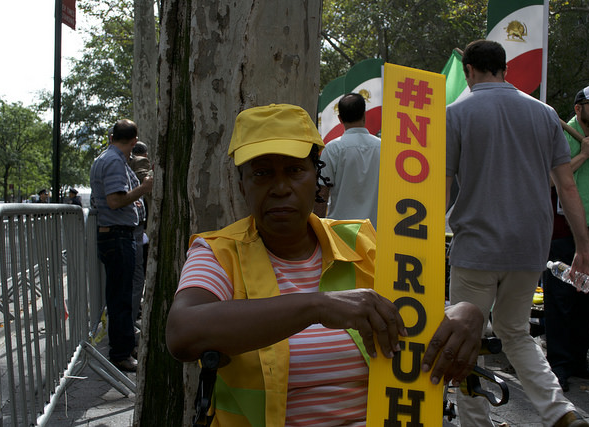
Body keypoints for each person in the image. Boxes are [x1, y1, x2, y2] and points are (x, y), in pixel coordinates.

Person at [166, 103, 484, 426]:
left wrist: (466, 313)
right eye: (262, 173)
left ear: (316, 178)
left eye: (294, 170)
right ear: (241, 185)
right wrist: (317, 307)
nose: (280, 188)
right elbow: (182, 332)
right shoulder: (218, 253)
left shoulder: (363, 243)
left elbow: (420, 318)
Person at [446, 40, 589, 427]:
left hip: (476, 247)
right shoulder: (545, 114)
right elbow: (566, 186)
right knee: (516, 332)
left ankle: (476, 424)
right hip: (530, 247)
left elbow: (440, 188)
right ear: (504, 69)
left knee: (468, 341)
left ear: (469, 71)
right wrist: (584, 247)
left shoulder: (456, 113)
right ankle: (560, 412)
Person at [543, 83, 589, 392]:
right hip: (565, 233)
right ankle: (559, 365)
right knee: (561, 300)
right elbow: (550, 180)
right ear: (578, 108)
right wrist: (583, 154)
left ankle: (579, 361)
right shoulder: (561, 137)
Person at [90, 119, 153, 372]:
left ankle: (124, 346)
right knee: (122, 298)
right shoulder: (114, 161)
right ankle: (121, 353)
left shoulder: (108, 158)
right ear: (134, 141)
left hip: (115, 236)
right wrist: (144, 188)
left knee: (121, 296)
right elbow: (116, 201)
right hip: (118, 236)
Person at [316, 92, 381, 228]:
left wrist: (318, 231)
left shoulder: (332, 149)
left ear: (340, 118)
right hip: (376, 232)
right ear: (364, 114)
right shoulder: (383, 148)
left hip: (340, 233)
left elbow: (322, 193)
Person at [128, 140, 151, 321]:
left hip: (133, 229)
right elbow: (147, 181)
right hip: (137, 229)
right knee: (136, 279)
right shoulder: (139, 161)